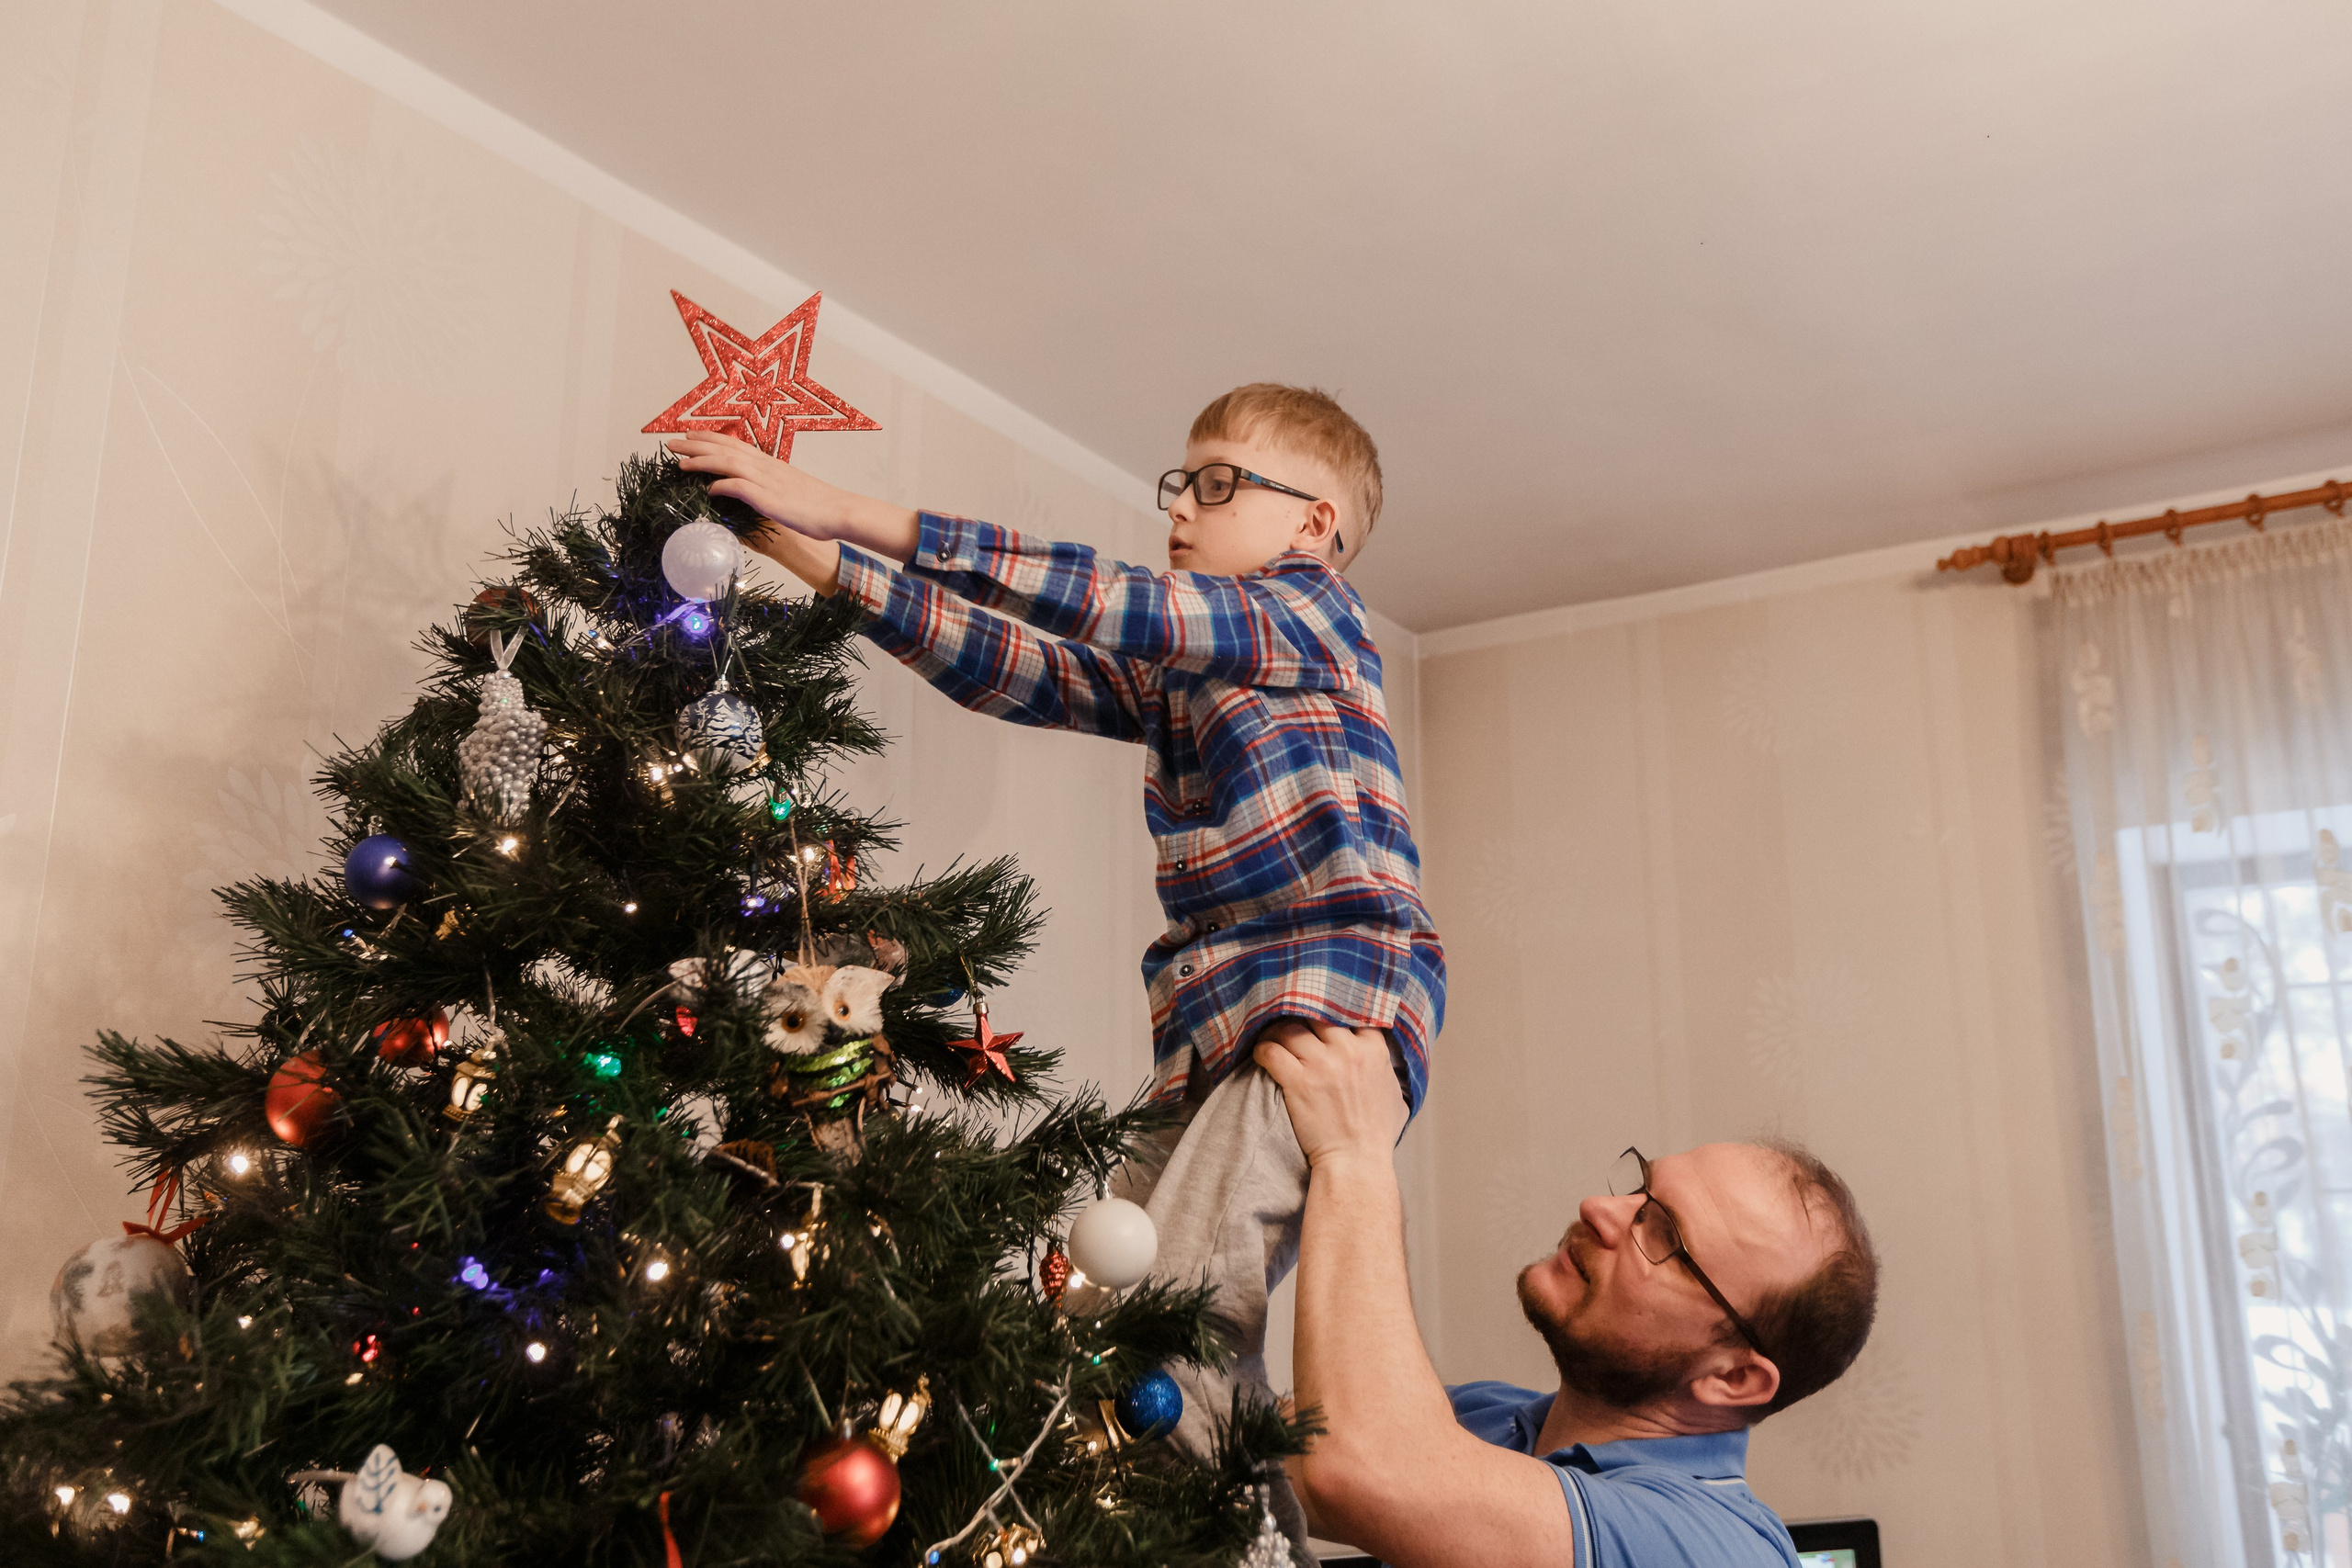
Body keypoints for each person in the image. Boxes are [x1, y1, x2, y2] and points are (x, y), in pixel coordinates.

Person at [666, 385, 1445, 1521]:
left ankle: (1233, 1542)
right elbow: (1020, 667)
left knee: (1176, 1323)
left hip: (1322, 1001)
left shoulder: (1310, 613)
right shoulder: (1193, 667)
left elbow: (1103, 596)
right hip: (1219, 1024)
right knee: (1096, 1312)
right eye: (1181, 483)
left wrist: (843, 508)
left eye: (1218, 484)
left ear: (1314, 524)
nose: (1181, 507)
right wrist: (819, 561)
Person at [1256, 1021, 1879, 1568]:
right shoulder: (1486, 1418)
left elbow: (1363, 1470)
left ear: (1732, 1378)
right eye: (1640, 1187)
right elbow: (1247, 1455)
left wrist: (1354, 1153)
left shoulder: (1718, 1547)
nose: (1600, 1208)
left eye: (1664, 1233)